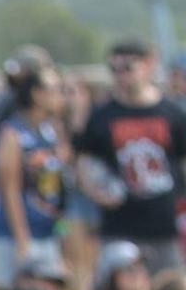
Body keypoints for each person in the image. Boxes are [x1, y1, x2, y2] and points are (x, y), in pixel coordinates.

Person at [75, 39, 186, 276]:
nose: (121, 76)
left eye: (128, 68)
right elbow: (84, 161)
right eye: (114, 69)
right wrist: (96, 191)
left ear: (149, 65)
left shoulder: (172, 113)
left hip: (165, 225)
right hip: (120, 226)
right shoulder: (102, 116)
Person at [0, 63, 68, 287]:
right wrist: (22, 238)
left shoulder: (49, 132)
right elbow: (9, 189)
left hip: (45, 231)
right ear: (37, 94)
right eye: (55, 89)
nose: (60, 95)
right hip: (14, 235)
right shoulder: (13, 134)